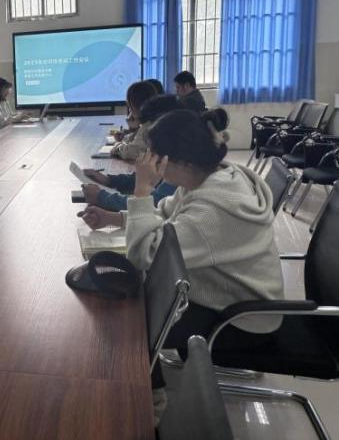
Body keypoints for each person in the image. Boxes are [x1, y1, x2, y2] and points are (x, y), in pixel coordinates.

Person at [80, 108, 284, 351]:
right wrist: (114, 218)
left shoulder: (212, 212)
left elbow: (144, 255)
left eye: (154, 156)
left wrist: (142, 190)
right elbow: (164, 214)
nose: (147, 162)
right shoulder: (207, 178)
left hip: (240, 322)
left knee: (127, 326)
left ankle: (146, 374)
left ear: (184, 162)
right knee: (126, 299)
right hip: (217, 296)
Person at [82, 95, 182, 211]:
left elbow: (151, 204)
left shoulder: (179, 169)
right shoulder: (173, 155)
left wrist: (102, 197)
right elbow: (145, 177)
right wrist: (108, 180)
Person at [111, 81, 158, 161]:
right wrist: (124, 137)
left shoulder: (148, 126)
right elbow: (136, 138)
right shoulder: (153, 119)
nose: (130, 110)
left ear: (137, 105)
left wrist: (117, 147)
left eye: (130, 105)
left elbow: (131, 152)